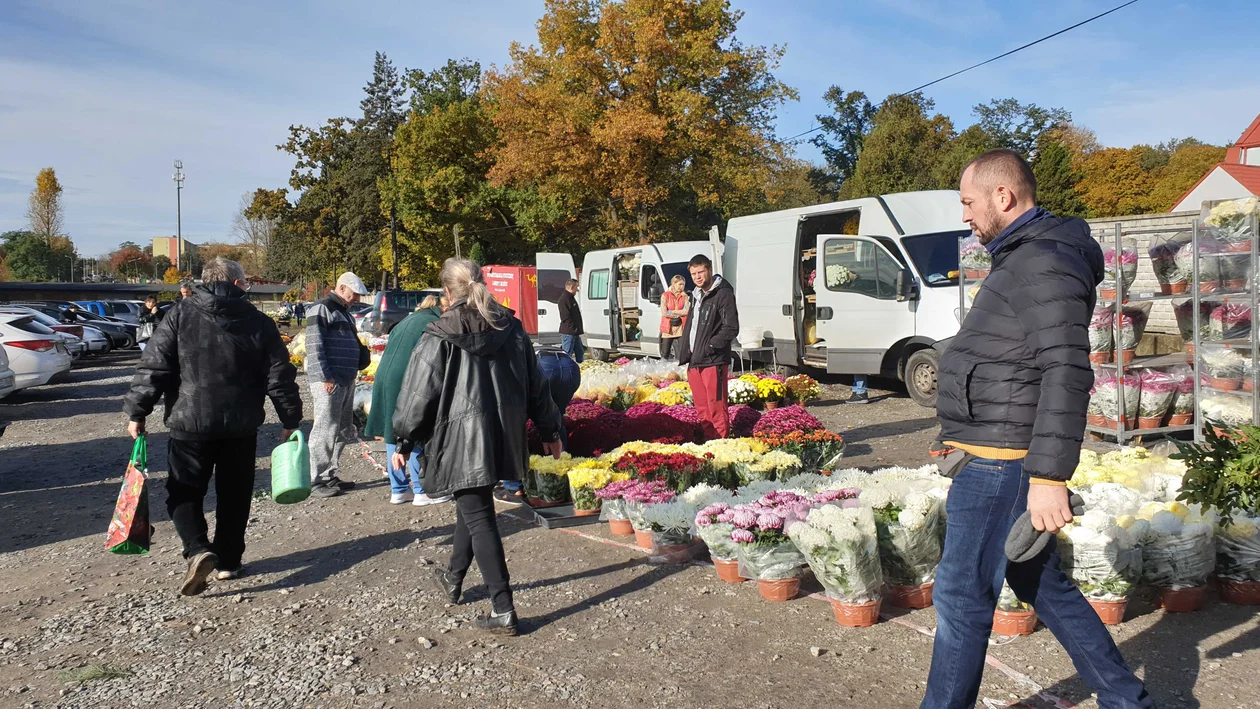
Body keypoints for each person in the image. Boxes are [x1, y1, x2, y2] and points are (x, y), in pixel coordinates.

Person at [925, 150, 1150, 708]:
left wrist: (1049, 476)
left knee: (960, 595)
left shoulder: (1042, 261)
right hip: (991, 450)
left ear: (1004, 197)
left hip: (1002, 463)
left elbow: (1067, 369)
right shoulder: (1025, 256)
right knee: (1039, 583)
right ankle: (1127, 699)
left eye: (969, 203)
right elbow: (1010, 359)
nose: (966, 216)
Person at [393, 259, 563, 635]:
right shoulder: (513, 328)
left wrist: (404, 438)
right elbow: (537, 386)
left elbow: (418, 394)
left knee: (479, 515)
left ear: (448, 293)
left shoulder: (438, 334)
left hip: (460, 438)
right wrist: (551, 430)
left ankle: (503, 607)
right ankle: (453, 577)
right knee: (473, 507)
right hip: (504, 434)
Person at [123, 258, 301, 596]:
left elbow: (154, 366)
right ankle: (229, 562)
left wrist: (137, 411)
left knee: (184, 491)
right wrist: (289, 419)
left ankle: (197, 547)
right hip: (241, 427)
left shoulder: (179, 314)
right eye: (246, 282)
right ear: (236, 284)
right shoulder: (259, 322)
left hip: (189, 424)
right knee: (234, 496)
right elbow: (280, 376)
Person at [364, 295, 453, 507]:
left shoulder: (409, 319)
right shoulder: (432, 323)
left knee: (391, 431)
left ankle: (399, 489)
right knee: (413, 427)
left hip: (385, 376)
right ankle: (421, 490)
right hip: (407, 377)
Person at [306, 272, 371, 498]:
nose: (357, 300)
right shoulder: (322, 308)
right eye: (354, 295)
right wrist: (325, 376)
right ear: (342, 288)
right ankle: (315, 479)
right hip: (329, 381)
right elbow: (315, 345)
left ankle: (330, 474)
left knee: (342, 429)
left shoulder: (344, 313)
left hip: (345, 378)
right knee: (325, 428)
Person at [494, 343, 581, 506]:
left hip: (544, 366)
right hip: (570, 367)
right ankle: (558, 477)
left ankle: (514, 487)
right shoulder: (516, 337)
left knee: (515, 426)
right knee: (556, 420)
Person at [676, 255, 738, 440]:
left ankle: (721, 447)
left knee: (716, 407)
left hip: (713, 359)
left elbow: (731, 327)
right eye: (694, 273)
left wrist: (711, 346)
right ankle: (709, 444)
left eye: (701, 272)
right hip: (695, 360)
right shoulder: (696, 294)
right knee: (702, 408)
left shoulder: (723, 294)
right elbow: (693, 325)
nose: (698, 277)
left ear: (709, 270)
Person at [658, 275, 689, 361]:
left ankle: (681, 370)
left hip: (680, 327)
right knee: (665, 353)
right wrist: (679, 313)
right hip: (668, 327)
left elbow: (687, 311)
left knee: (682, 352)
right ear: (673, 284)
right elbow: (664, 313)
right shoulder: (665, 295)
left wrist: (673, 312)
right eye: (680, 284)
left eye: (683, 284)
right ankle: (663, 369)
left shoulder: (684, 296)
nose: (682, 287)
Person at [557, 279, 583, 363]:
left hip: (574, 332)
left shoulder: (570, 298)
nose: (577, 289)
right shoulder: (564, 299)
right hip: (569, 332)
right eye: (576, 287)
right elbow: (565, 317)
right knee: (567, 353)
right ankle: (566, 369)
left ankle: (580, 367)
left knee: (580, 352)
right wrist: (573, 328)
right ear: (571, 287)